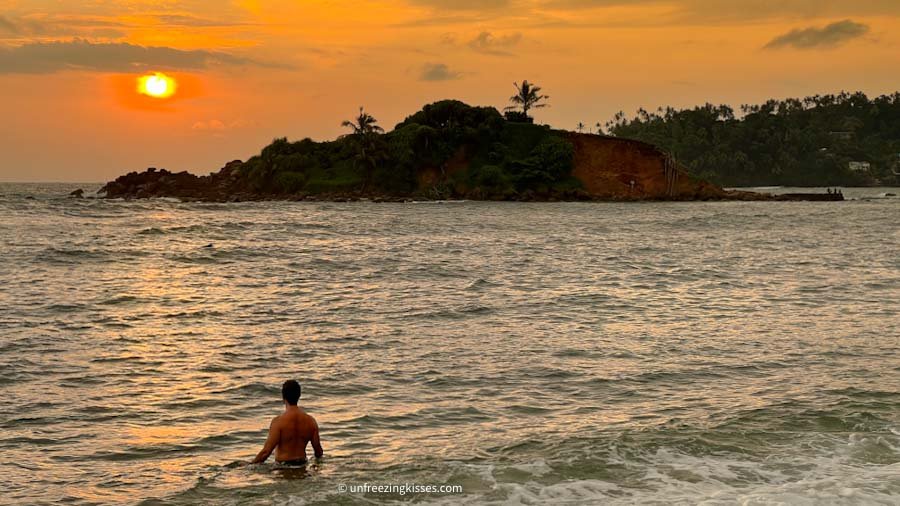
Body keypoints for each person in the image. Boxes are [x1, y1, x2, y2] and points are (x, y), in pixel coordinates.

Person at [250, 380, 323, 465]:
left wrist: (250, 465)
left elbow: (266, 452)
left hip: (283, 468)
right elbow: (318, 452)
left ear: (283, 398)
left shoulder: (278, 422)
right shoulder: (311, 421)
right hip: (302, 466)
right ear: (299, 396)